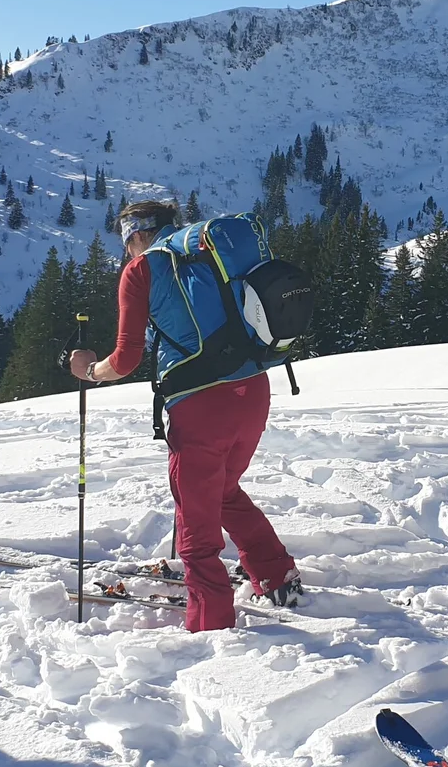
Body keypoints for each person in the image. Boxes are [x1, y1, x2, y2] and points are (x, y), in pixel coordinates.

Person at [66, 200, 302, 631]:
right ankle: (276, 574)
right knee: (224, 490)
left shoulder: (142, 271)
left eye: (125, 241)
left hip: (200, 403)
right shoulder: (210, 253)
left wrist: (89, 371)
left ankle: (210, 624)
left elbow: (125, 360)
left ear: (135, 234)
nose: (126, 251)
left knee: (196, 520)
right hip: (254, 389)